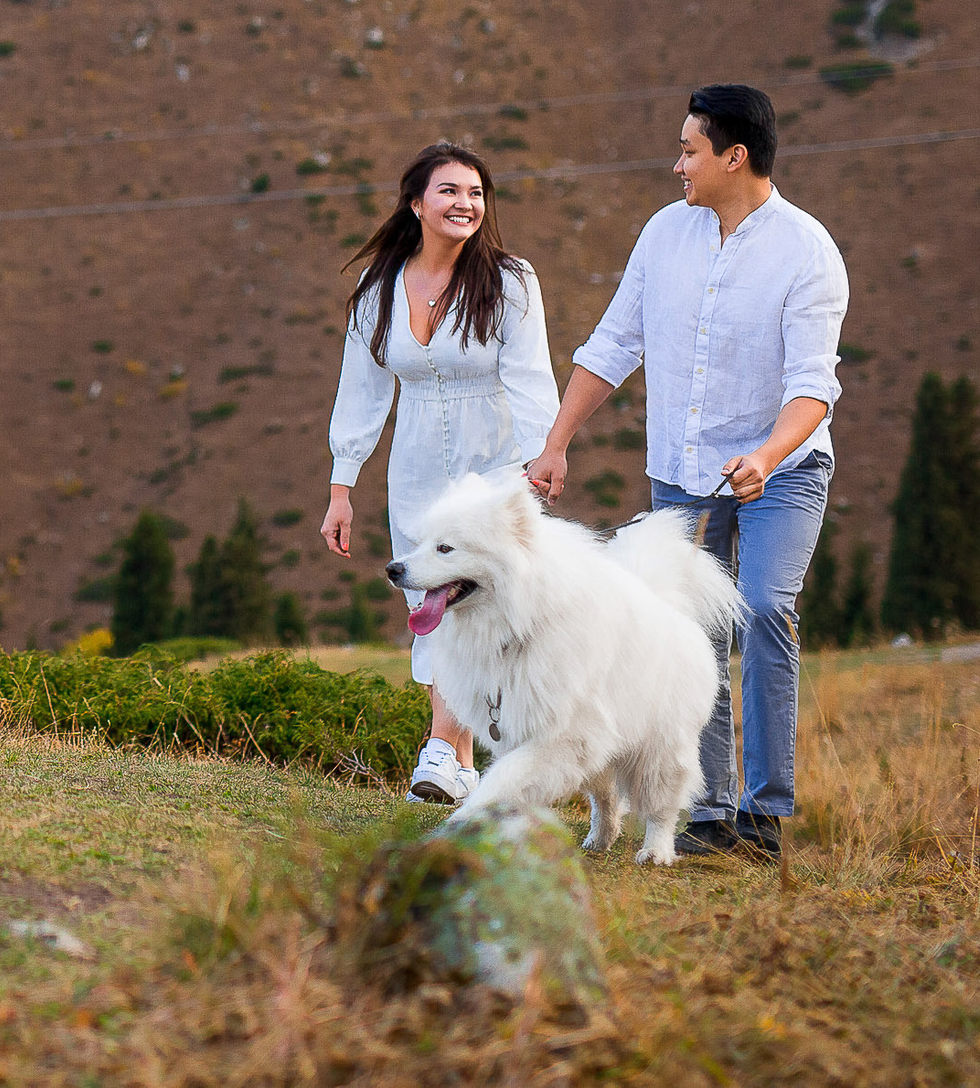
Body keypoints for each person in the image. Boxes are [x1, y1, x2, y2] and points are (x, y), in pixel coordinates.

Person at [524, 84, 849, 861]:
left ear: (734, 156)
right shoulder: (664, 234)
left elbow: (814, 386)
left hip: (782, 471)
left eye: (689, 150)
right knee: (688, 632)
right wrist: (557, 441)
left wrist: (766, 454)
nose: (677, 165)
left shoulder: (808, 251)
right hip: (682, 471)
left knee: (764, 608)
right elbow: (614, 343)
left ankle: (763, 815)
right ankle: (706, 814)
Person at [322, 141, 560, 805]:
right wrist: (342, 487)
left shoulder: (510, 281)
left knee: (475, 606)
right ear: (416, 203)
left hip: (497, 468)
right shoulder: (378, 291)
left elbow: (531, 376)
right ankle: (457, 765)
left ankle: (439, 747)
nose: (465, 204)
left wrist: (544, 457)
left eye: (476, 193)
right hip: (417, 468)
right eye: (450, 191)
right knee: (429, 605)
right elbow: (361, 393)